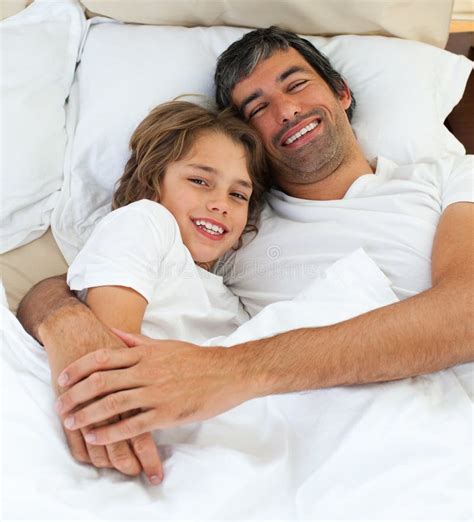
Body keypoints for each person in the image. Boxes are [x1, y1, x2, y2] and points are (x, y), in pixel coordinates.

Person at [18, 27, 473, 481]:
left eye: (296, 85)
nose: (286, 110)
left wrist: (231, 371)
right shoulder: (236, 223)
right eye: (258, 108)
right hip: (309, 442)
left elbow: (466, 310)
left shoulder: (447, 177)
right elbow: (103, 267)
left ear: (341, 92)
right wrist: (68, 324)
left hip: (439, 413)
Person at [17, 100, 269, 485]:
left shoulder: (230, 299)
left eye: (238, 195)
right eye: (200, 181)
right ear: (153, 182)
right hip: (136, 433)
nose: (220, 204)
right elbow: (106, 357)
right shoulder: (146, 222)